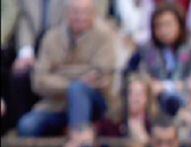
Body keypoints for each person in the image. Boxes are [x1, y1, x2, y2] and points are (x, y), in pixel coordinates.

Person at [16, 0, 118, 138]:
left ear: (93, 14)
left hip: (94, 104)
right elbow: (38, 81)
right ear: (67, 13)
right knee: (27, 126)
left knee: (79, 90)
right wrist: (75, 82)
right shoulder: (51, 37)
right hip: (56, 105)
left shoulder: (104, 37)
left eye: (84, 12)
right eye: (75, 12)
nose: (79, 17)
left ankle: (77, 143)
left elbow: (102, 77)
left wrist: (60, 73)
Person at [126, 3, 191, 116]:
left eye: (168, 24)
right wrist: (148, 83)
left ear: (180, 24)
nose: (163, 30)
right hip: (155, 99)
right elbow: (138, 73)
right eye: (158, 26)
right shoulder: (147, 48)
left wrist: (166, 86)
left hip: (188, 98)